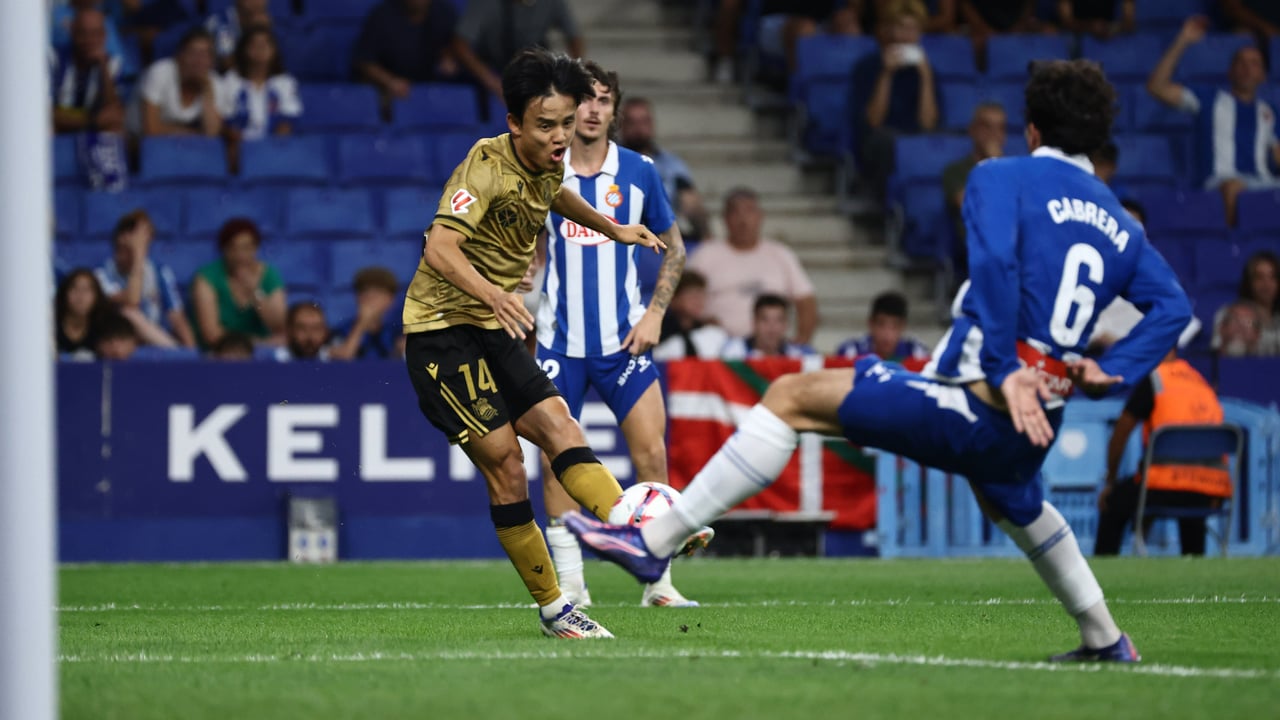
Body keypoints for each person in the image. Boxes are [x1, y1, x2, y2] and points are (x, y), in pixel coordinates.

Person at [568, 59, 1194, 663]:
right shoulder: (1120, 224)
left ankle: (653, 543)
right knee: (1015, 502)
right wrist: (1111, 371)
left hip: (980, 399)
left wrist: (1002, 368)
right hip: (1038, 421)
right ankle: (1105, 636)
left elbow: (998, 269)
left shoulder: (1001, 177)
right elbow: (1172, 307)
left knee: (791, 398)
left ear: (1032, 130)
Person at [401, 48, 688, 639]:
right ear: (514, 124)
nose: (560, 137)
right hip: (441, 333)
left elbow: (555, 194)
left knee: (563, 429)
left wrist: (613, 228)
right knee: (507, 464)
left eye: (565, 123)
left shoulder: (549, 162)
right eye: (546, 125)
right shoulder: (484, 165)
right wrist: (497, 294)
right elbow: (439, 247)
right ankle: (558, 609)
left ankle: (630, 528)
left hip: (490, 325)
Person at [532, 62, 698, 609]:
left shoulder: (639, 172)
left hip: (623, 340)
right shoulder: (544, 169)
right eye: (586, 99)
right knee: (559, 461)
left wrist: (655, 314)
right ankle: (573, 585)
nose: (595, 108)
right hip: (559, 344)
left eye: (605, 99)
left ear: (614, 110)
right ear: (572, 107)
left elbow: (675, 247)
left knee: (652, 455)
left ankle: (660, 584)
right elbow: (528, 247)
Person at [1094, 348, 1231, 556]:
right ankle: (1194, 565)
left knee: (1113, 503)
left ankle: (1099, 576)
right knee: (1192, 510)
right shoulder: (1202, 383)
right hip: (1207, 491)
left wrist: (1111, 482)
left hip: (1161, 487)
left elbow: (1120, 434)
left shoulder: (1156, 379)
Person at [1146, 17, 1279, 226]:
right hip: (1222, 181)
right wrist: (1183, 40)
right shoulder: (1208, 99)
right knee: (1233, 187)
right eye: (1241, 62)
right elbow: (1157, 87)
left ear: (1263, 74)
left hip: (1263, 182)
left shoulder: (1269, 112)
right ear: (1230, 71)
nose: (1247, 68)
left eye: (1254, 64)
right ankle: (1234, 244)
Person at [687, 187, 818, 342]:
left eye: (749, 211)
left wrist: (802, 340)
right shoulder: (704, 255)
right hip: (717, 349)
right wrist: (701, 323)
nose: (743, 220)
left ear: (760, 216)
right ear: (725, 218)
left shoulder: (780, 254)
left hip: (772, 349)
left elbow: (806, 300)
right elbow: (681, 300)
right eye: (735, 212)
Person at [850, 0, 940, 204]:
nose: (907, 36)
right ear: (889, 30)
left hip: (915, 139)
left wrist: (925, 77)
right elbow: (873, 122)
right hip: (879, 143)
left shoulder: (927, 71)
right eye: (902, 28)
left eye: (913, 29)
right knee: (889, 140)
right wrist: (886, 75)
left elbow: (928, 124)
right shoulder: (867, 67)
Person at [94, 209, 195, 348]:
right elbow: (132, 301)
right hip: (116, 342)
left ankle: (178, 353)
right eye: (139, 239)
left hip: (152, 343)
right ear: (121, 238)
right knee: (129, 313)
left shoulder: (160, 272)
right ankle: (173, 349)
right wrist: (138, 254)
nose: (143, 244)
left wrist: (192, 353)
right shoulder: (101, 274)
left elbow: (177, 318)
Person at [618, 97, 711, 246]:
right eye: (632, 122)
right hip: (621, 237)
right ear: (621, 126)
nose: (638, 129)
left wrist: (706, 237)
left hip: (664, 238)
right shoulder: (610, 161)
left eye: (644, 122)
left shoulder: (672, 164)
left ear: (652, 124)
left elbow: (691, 204)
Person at [451, 0, 583, 98]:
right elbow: (460, 44)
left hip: (534, 70)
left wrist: (570, 74)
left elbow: (574, 37)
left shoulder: (552, 3)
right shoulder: (485, 3)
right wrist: (493, 83)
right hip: (492, 70)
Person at [190, 217, 287, 349]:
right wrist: (259, 343)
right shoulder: (206, 277)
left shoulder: (269, 275)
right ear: (223, 249)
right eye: (233, 248)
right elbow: (211, 333)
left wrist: (256, 293)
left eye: (246, 248)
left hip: (259, 355)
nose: (240, 255)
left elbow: (280, 325)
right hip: (219, 352)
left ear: (256, 248)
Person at [942, 102, 1007, 282]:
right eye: (987, 126)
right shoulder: (955, 171)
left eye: (1000, 128)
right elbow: (972, 206)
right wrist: (995, 163)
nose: (994, 135)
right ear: (972, 130)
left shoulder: (1013, 170)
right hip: (974, 250)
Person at [353, 0, 461, 101]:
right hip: (388, 89)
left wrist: (448, 58)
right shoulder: (382, 15)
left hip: (430, 89)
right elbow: (365, 61)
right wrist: (390, 81)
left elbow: (455, 46)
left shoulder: (444, 12)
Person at [133, 27, 229, 138]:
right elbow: (151, 130)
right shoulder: (160, 73)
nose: (198, 60)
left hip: (182, 145)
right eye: (193, 53)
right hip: (137, 140)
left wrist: (207, 91)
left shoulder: (215, 83)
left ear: (212, 61)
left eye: (205, 55)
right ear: (180, 56)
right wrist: (193, 134)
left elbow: (211, 134)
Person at [51, 7, 125, 136]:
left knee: (115, 128)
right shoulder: (53, 59)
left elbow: (114, 113)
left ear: (104, 36)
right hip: (61, 127)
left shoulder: (112, 63)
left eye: (95, 34)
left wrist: (103, 67)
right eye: (83, 33)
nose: (89, 40)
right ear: (72, 33)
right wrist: (91, 119)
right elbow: (44, 112)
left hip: (91, 125)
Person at [221, 25, 301, 142]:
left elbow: (288, 119)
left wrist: (272, 147)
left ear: (274, 50)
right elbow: (225, 119)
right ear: (244, 50)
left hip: (273, 147)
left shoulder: (286, 82)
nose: (260, 48)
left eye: (266, 44)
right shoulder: (230, 80)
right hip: (239, 146)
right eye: (254, 45)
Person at [1211, 250, 1280, 355]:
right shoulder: (1229, 314)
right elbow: (1216, 351)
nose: (1266, 284)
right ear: (1249, 281)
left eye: (1272, 277)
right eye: (1259, 277)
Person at [329, 267, 405, 360]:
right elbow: (342, 358)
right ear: (357, 297)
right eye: (365, 292)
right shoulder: (342, 330)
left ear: (390, 299)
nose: (371, 299)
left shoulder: (396, 332)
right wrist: (361, 325)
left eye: (378, 293)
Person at [652, 270, 730, 360]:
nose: (698, 301)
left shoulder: (709, 331)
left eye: (702, 295)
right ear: (673, 298)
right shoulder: (657, 332)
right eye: (692, 296)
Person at [834, 290, 929, 364]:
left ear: (903, 327)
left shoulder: (916, 352)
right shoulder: (851, 351)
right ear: (870, 324)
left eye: (894, 326)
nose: (887, 333)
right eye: (881, 324)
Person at [720, 294, 818, 359]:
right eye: (765, 320)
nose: (772, 327)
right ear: (754, 323)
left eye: (778, 320)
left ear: (786, 324)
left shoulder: (801, 355)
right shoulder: (732, 352)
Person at [55, 268, 109, 358]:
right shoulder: (49, 326)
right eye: (74, 288)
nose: (80, 296)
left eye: (87, 290)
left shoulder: (104, 327)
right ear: (64, 293)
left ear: (97, 296)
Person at [204, 0, 270, 70]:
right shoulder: (221, 21)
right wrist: (253, 31)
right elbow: (228, 63)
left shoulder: (266, 23)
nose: (257, 2)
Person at [1056, 0, 1135, 39]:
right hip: (1076, 36)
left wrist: (1113, 28)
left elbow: (1128, 22)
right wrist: (1090, 27)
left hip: (1110, 33)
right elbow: (1066, 20)